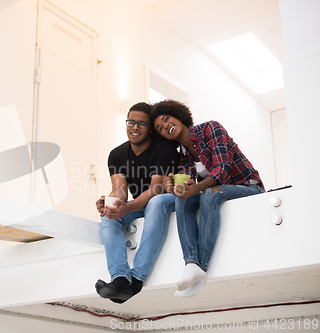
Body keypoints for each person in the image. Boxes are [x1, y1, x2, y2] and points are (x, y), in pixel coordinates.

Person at [151, 99, 265, 297]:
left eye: (166, 119)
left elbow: (222, 170)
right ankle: (190, 264)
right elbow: (187, 186)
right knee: (182, 200)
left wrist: (197, 188)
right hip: (220, 190)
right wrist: (174, 187)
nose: (165, 126)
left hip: (248, 186)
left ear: (178, 115)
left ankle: (201, 270)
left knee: (209, 193)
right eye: (160, 128)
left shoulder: (210, 128)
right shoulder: (183, 155)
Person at [95, 102, 179, 303]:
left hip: (167, 200)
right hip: (141, 205)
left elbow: (156, 189)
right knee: (108, 218)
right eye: (131, 122)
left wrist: (128, 207)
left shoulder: (164, 148)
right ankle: (120, 279)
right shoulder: (117, 155)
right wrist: (110, 203)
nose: (135, 127)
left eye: (141, 124)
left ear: (150, 129)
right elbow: (120, 190)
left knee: (156, 202)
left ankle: (137, 279)